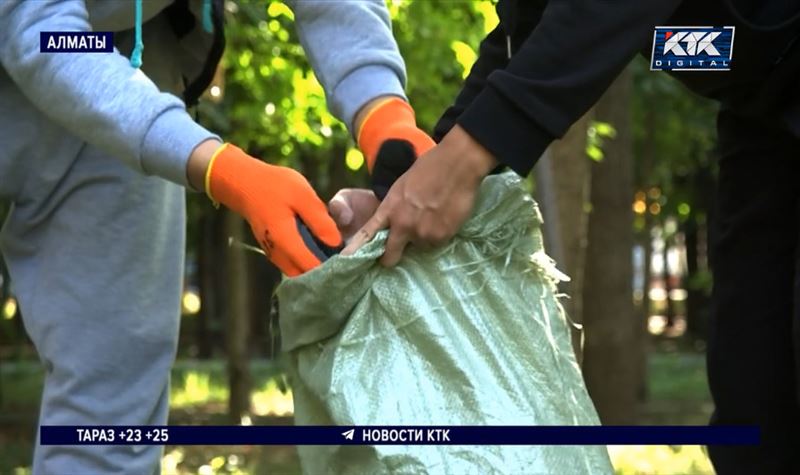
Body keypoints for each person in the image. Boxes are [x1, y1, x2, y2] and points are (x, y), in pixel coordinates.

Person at [338, 1, 800, 473]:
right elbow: (529, 35)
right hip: (761, 117)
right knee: (754, 402)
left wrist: (467, 155)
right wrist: (408, 189)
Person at [0, 0, 431, 472]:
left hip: (128, 63)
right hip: (55, 37)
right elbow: (41, 28)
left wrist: (382, 114)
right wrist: (221, 169)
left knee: (110, 398)